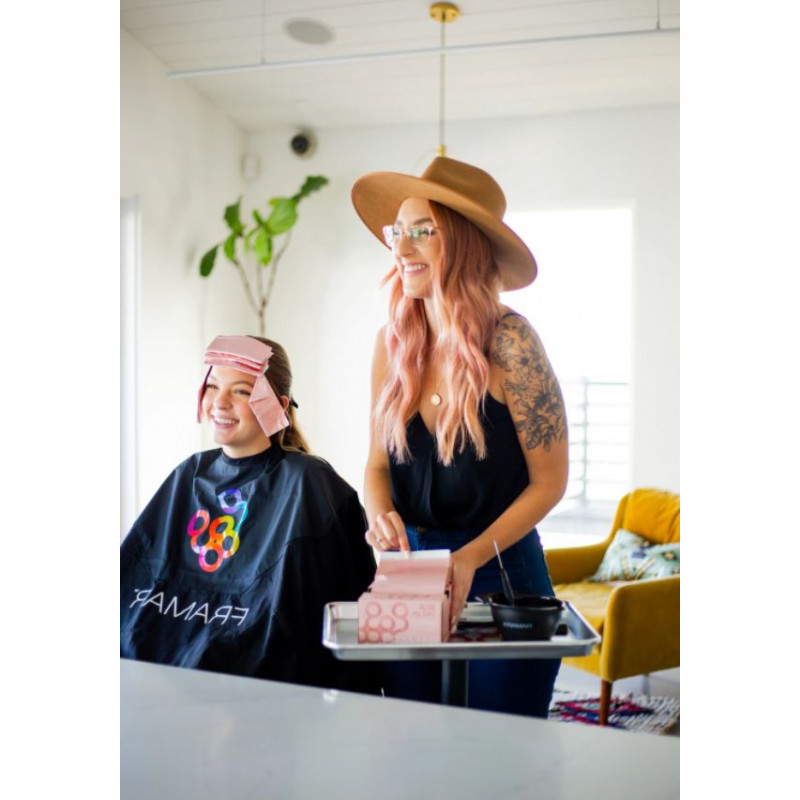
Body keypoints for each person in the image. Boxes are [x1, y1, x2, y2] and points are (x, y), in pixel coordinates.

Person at [351, 156, 569, 717]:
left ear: (466, 244)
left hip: (503, 574)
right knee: (415, 737)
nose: (401, 248)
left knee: (505, 747)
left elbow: (549, 483)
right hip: (410, 573)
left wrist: (468, 558)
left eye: (423, 231)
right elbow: (377, 465)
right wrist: (379, 515)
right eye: (397, 231)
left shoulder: (512, 342)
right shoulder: (391, 345)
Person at [120, 335, 377, 693]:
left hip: (258, 696)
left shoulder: (307, 484)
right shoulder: (189, 474)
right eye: (212, 385)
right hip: (154, 685)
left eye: (241, 391)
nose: (220, 402)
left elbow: (332, 616)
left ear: (279, 406)